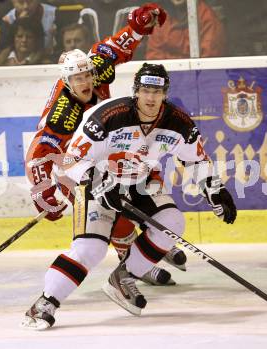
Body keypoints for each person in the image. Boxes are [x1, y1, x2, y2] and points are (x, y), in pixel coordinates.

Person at [23, 62, 237, 328]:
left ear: (165, 94)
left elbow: (196, 160)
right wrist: (98, 181)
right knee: (91, 249)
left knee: (172, 222)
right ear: (136, 91)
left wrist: (215, 190)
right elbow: (71, 160)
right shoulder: (108, 115)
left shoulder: (178, 123)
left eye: (156, 92)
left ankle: (122, 277)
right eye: (145, 90)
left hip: (140, 181)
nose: (150, 98)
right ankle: (45, 303)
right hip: (95, 180)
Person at [22, 4, 191, 330]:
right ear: (66, 81)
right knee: (106, 220)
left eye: (87, 75)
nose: (85, 82)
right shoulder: (64, 111)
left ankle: (143, 255)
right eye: (77, 78)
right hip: (78, 162)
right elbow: (41, 152)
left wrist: (139, 26)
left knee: (148, 187)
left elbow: (113, 48)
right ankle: (128, 262)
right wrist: (46, 192)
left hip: (110, 148)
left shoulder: (95, 69)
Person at [145, 0, 225, 59]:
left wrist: (169, 58)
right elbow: (153, 56)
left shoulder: (206, 16)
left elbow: (208, 59)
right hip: (169, 77)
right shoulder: (162, 17)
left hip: (201, 78)